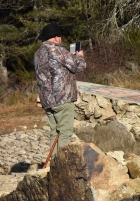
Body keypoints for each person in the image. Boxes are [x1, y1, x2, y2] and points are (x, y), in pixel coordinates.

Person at [34, 23, 86, 158]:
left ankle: (53, 162)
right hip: (62, 98)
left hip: (47, 99)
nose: (60, 39)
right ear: (56, 38)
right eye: (59, 36)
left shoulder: (38, 54)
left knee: (54, 132)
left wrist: (71, 56)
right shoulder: (58, 50)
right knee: (65, 132)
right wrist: (79, 55)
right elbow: (78, 67)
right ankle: (61, 165)